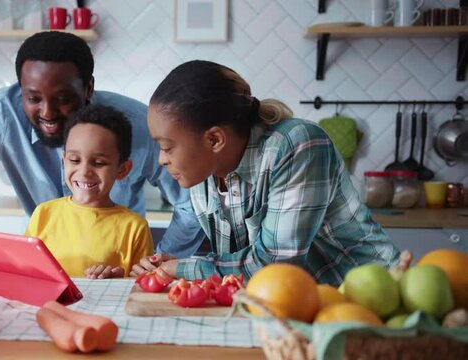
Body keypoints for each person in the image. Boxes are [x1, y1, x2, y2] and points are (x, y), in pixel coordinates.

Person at [0, 32, 204, 271]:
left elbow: (193, 201)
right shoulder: (1, 114)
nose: (47, 113)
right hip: (43, 268)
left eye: (62, 98)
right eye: (33, 98)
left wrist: (160, 263)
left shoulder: (137, 125)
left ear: (88, 89)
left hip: (119, 269)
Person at [133, 60, 399, 285]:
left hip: (371, 298)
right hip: (296, 307)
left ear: (214, 139)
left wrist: (183, 269)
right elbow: (235, 270)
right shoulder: (204, 178)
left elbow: (274, 267)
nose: (161, 159)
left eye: (167, 147)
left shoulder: (298, 145)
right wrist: (171, 264)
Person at [25, 104, 154, 279]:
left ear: (122, 169)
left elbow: (140, 285)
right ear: (64, 161)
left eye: (99, 163)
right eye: (74, 160)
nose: (84, 171)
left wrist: (116, 280)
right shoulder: (43, 213)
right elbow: (26, 272)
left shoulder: (134, 227)